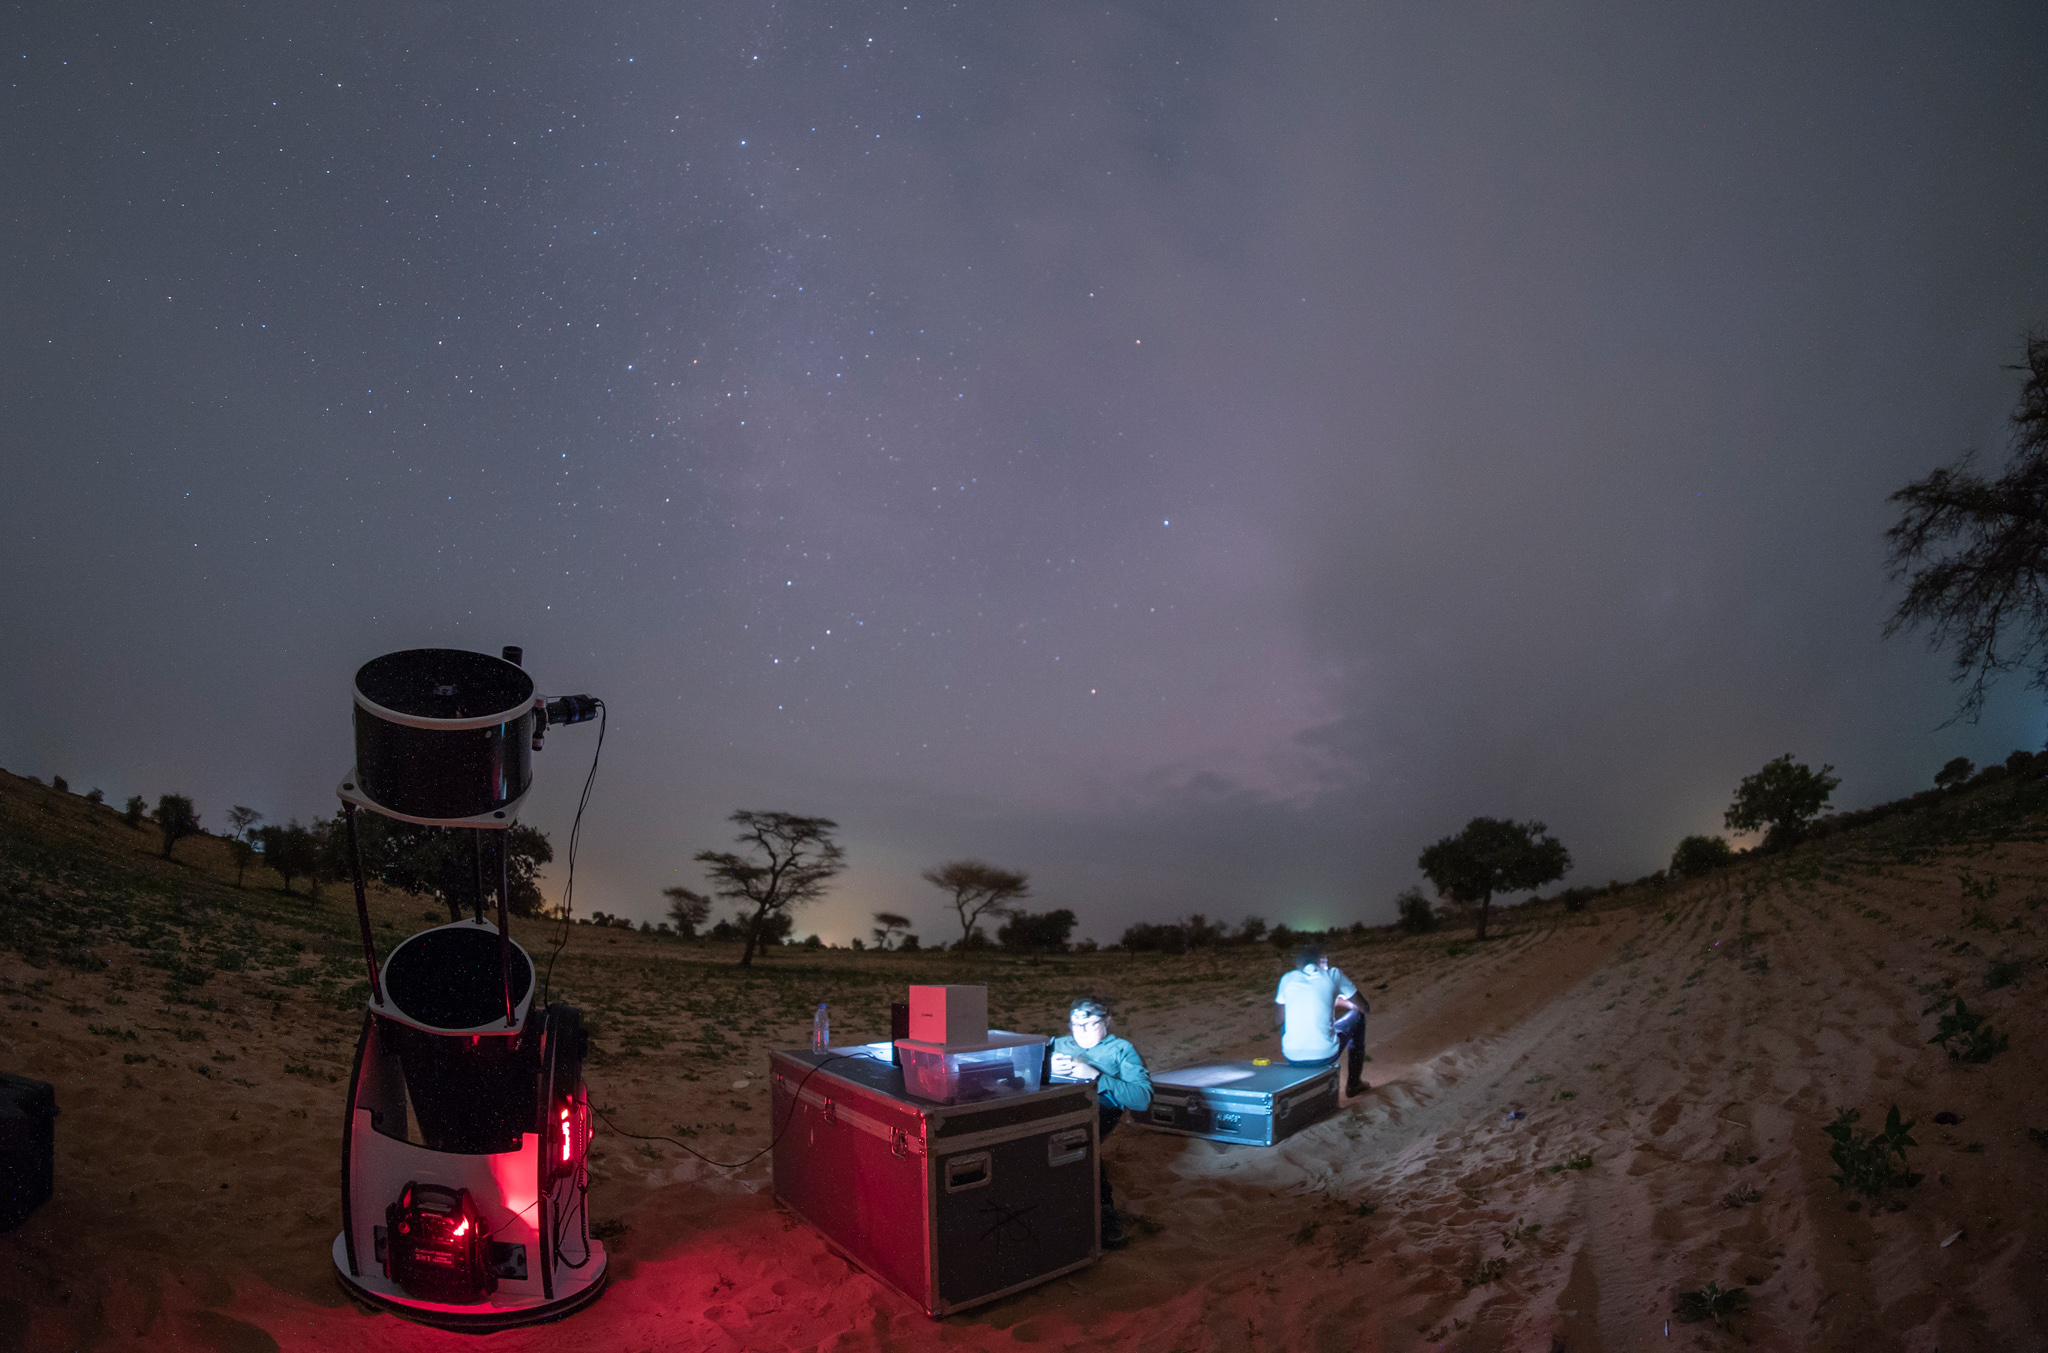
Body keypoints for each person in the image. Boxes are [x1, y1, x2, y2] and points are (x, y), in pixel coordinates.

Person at [1049, 996, 1150, 1250]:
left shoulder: (1121, 1050)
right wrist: (1045, 1069)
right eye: (1075, 1024)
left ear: (1107, 1021)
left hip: (1099, 1108)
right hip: (1056, 1106)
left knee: (1082, 1140)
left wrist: (1096, 1077)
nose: (1081, 1032)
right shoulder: (1058, 1045)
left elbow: (1142, 1098)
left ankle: (1105, 1212)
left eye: (1090, 1025)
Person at [1275, 944, 1369, 1098]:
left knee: (1287, 1017)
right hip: (1325, 1055)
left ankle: (1299, 1050)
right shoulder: (1333, 975)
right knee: (1358, 1017)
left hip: (1292, 1057)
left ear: (1299, 964)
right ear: (1322, 961)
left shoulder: (1287, 979)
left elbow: (1278, 1020)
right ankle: (1354, 1083)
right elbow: (1364, 1007)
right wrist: (1342, 1000)